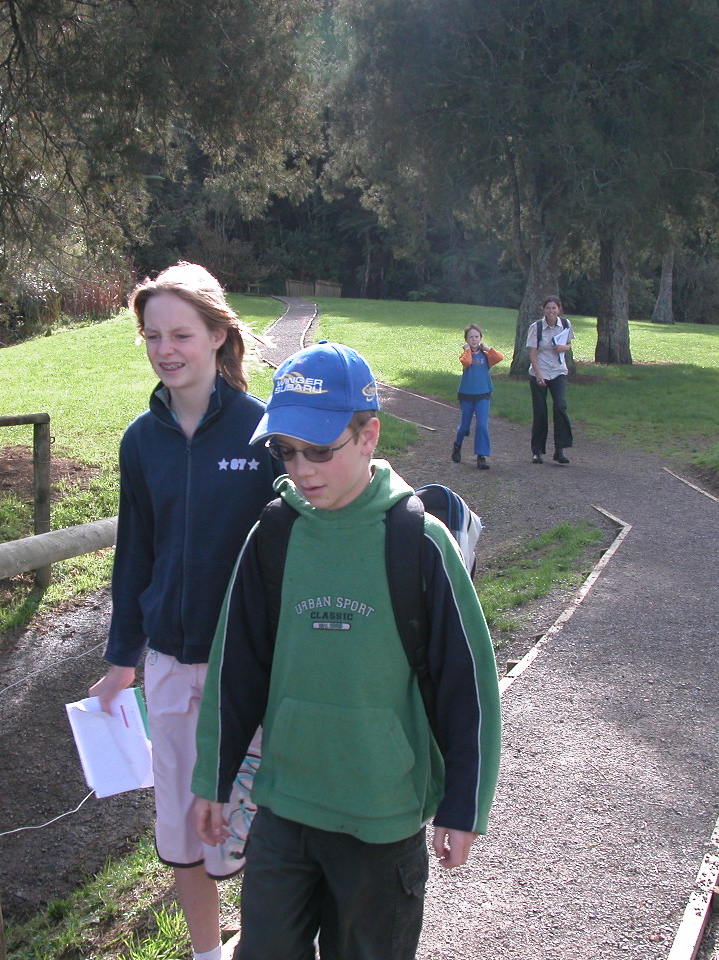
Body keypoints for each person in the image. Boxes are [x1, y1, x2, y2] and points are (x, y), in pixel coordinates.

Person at [190, 341, 502, 960]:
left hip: (381, 820)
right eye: (288, 451)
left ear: (369, 436)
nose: (302, 469)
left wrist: (465, 806)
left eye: (320, 450)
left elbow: (467, 686)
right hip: (285, 807)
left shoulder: (418, 541)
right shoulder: (273, 536)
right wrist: (212, 776)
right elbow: (236, 669)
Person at [89, 262, 280, 960]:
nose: (166, 350)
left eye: (181, 334)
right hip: (171, 666)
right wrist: (121, 661)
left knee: (260, 830)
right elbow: (135, 555)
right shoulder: (141, 441)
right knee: (182, 836)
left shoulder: (265, 432)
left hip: (253, 671)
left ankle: (268, 946)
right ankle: (207, 955)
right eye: (152, 336)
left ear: (218, 334)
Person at [526, 296, 574, 464]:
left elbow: (568, 344)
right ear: (544, 310)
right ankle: (537, 451)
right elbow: (532, 352)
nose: (551, 311)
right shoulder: (537, 327)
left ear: (559, 309)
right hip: (540, 371)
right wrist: (538, 374)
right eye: (548, 308)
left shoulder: (566, 324)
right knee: (540, 411)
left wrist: (564, 348)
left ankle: (560, 450)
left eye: (554, 308)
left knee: (560, 406)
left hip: (558, 371)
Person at [451, 323, 504, 470]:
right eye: (471, 337)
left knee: (482, 425)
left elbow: (499, 357)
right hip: (467, 394)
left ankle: (481, 455)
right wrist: (467, 350)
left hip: (483, 394)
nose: (474, 340)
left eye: (476, 337)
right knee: (464, 426)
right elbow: (466, 362)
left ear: (480, 338)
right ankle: (458, 444)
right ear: (466, 340)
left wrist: (487, 348)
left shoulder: (486, 356)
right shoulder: (465, 355)